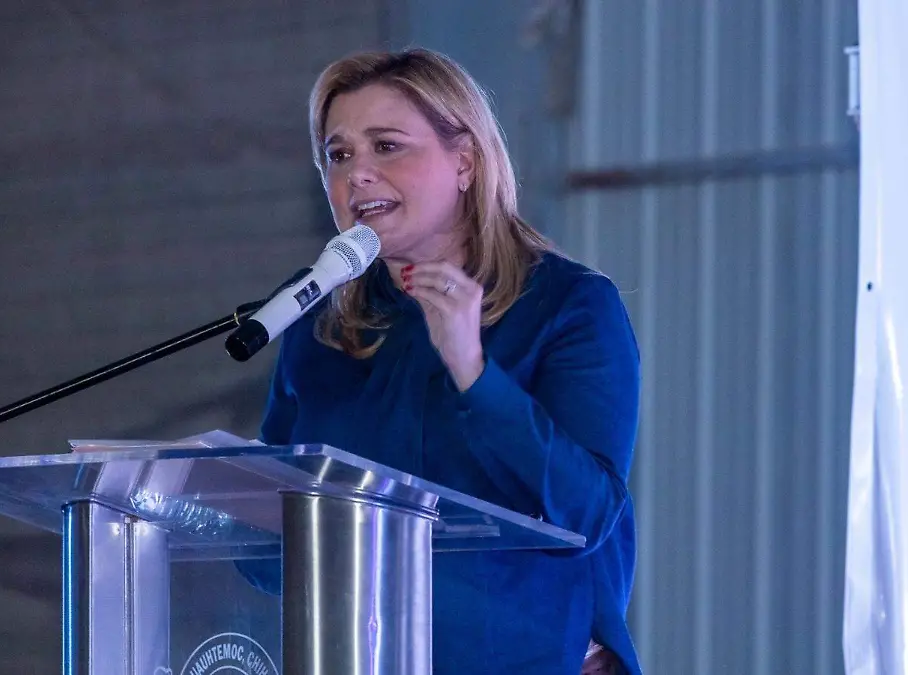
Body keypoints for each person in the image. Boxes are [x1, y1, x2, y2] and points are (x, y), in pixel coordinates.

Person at [249, 47, 642, 674]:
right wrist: (196, 497)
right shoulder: (319, 317)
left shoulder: (568, 305)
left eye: (387, 146)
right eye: (339, 155)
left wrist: (473, 371)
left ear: (465, 162)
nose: (358, 174)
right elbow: (270, 537)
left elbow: (589, 512)